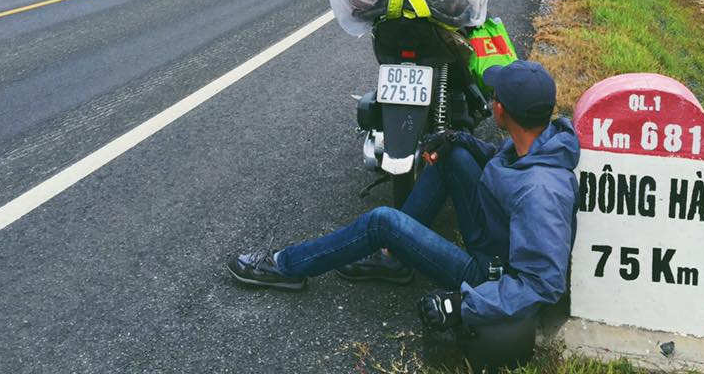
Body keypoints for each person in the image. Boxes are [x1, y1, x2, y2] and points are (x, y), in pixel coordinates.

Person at [228, 60, 580, 368]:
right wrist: (460, 139)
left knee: (383, 221)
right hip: (493, 232)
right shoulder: (536, 142)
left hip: (488, 276)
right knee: (452, 156)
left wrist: (463, 305)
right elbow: (504, 166)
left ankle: (285, 266)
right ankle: (394, 260)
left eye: (494, 95)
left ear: (501, 111)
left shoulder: (542, 192)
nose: (491, 100)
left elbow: (542, 283)